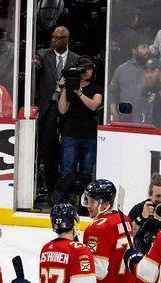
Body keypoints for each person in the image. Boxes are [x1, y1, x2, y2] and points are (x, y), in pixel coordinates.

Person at [33, 26, 77, 198]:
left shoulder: (75, 59)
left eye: (59, 38)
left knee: (68, 154)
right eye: (53, 37)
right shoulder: (44, 56)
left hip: (69, 112)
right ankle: (52, 192)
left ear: (67, 39)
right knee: (49, 153)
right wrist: (34, 63)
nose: (54, 40)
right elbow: (35, 67)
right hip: (48, 110)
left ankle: (67, 191)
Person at [53, 57, 102, 203]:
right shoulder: (69, 87)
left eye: (89, 69)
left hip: (89, 135)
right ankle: (61, 200)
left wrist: (79, 92)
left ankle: (84, 202)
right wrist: (64, 89)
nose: (87, 72)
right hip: (71, 134)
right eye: (84, 69)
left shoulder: (96, 88)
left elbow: (94, 105)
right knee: (67, 170)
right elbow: (62, 110)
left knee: (86, 172)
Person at [107, 36, 153, 124]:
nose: (147, 50)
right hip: (124, 117)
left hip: (146, 119)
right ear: (134, 50)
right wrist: (113, 112)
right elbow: (113, 92)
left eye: (147, 47)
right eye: (143, 47)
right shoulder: (121, 69)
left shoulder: (153, 70)